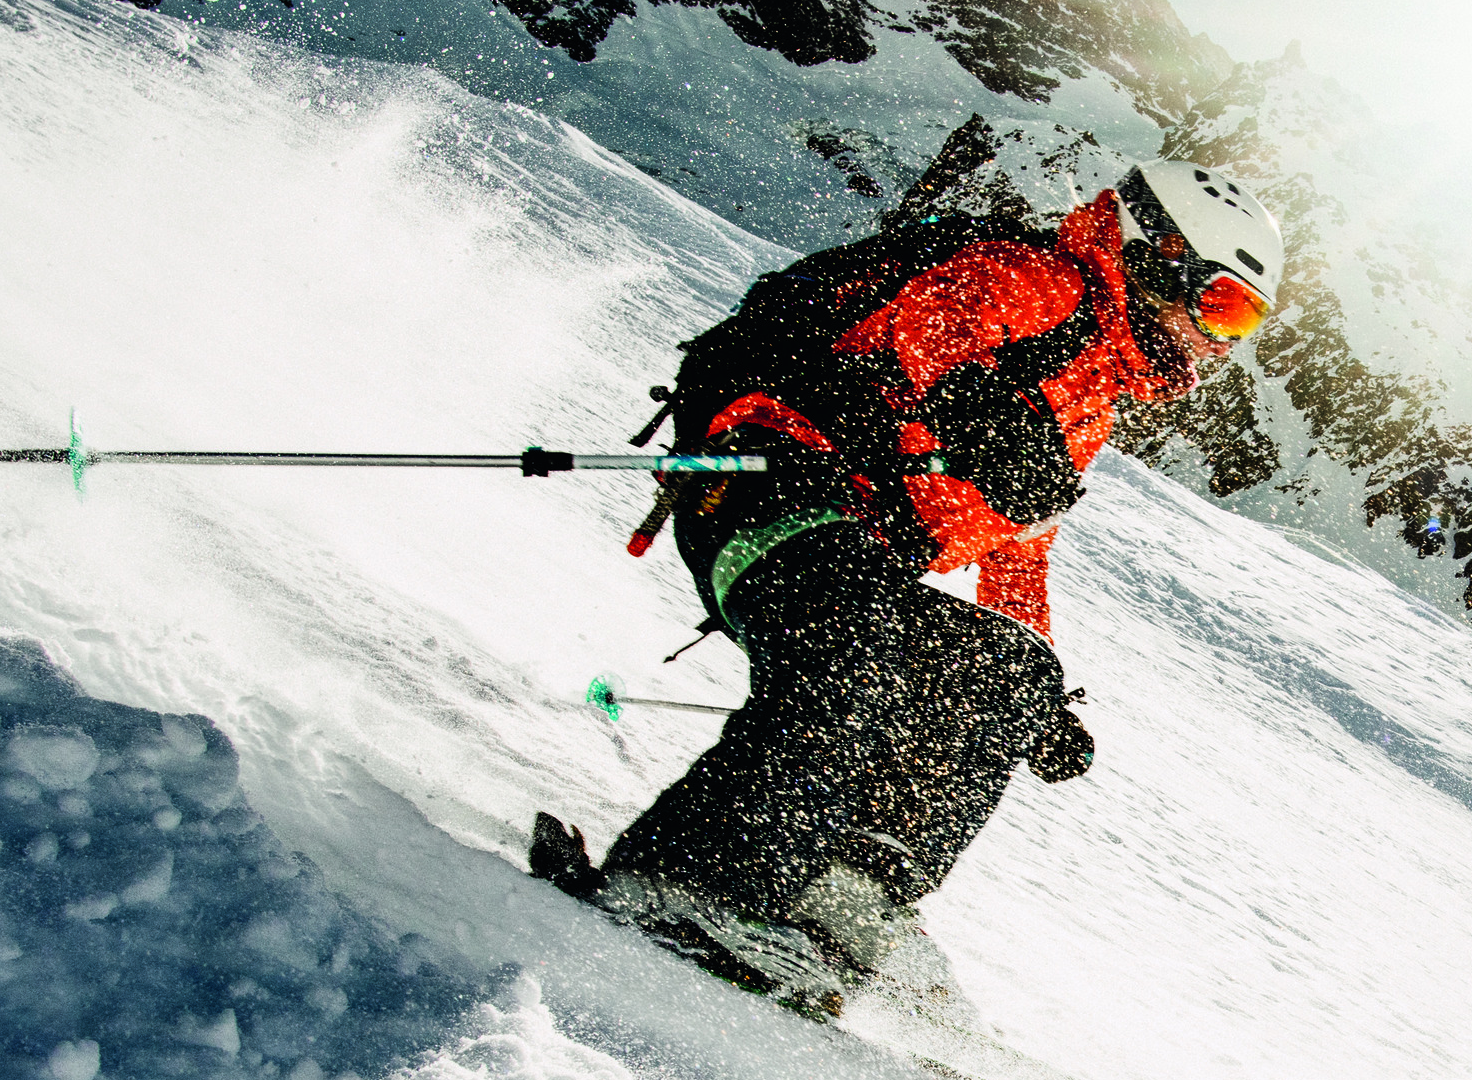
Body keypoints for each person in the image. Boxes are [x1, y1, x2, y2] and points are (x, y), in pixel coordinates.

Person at [531, 123, 1285, 1014]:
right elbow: (920, 331)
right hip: (769, 476)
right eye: (1225, 307)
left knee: (1002, 673)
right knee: (859, 657)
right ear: (1161, 254)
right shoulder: (1038, 281)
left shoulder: (1090, 400)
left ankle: (844, 897)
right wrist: (973, 411)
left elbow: (1018, 549)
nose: (1219, 345)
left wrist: (1036, 687)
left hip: (855, 545)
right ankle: (683, 884)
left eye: (1246, 327)